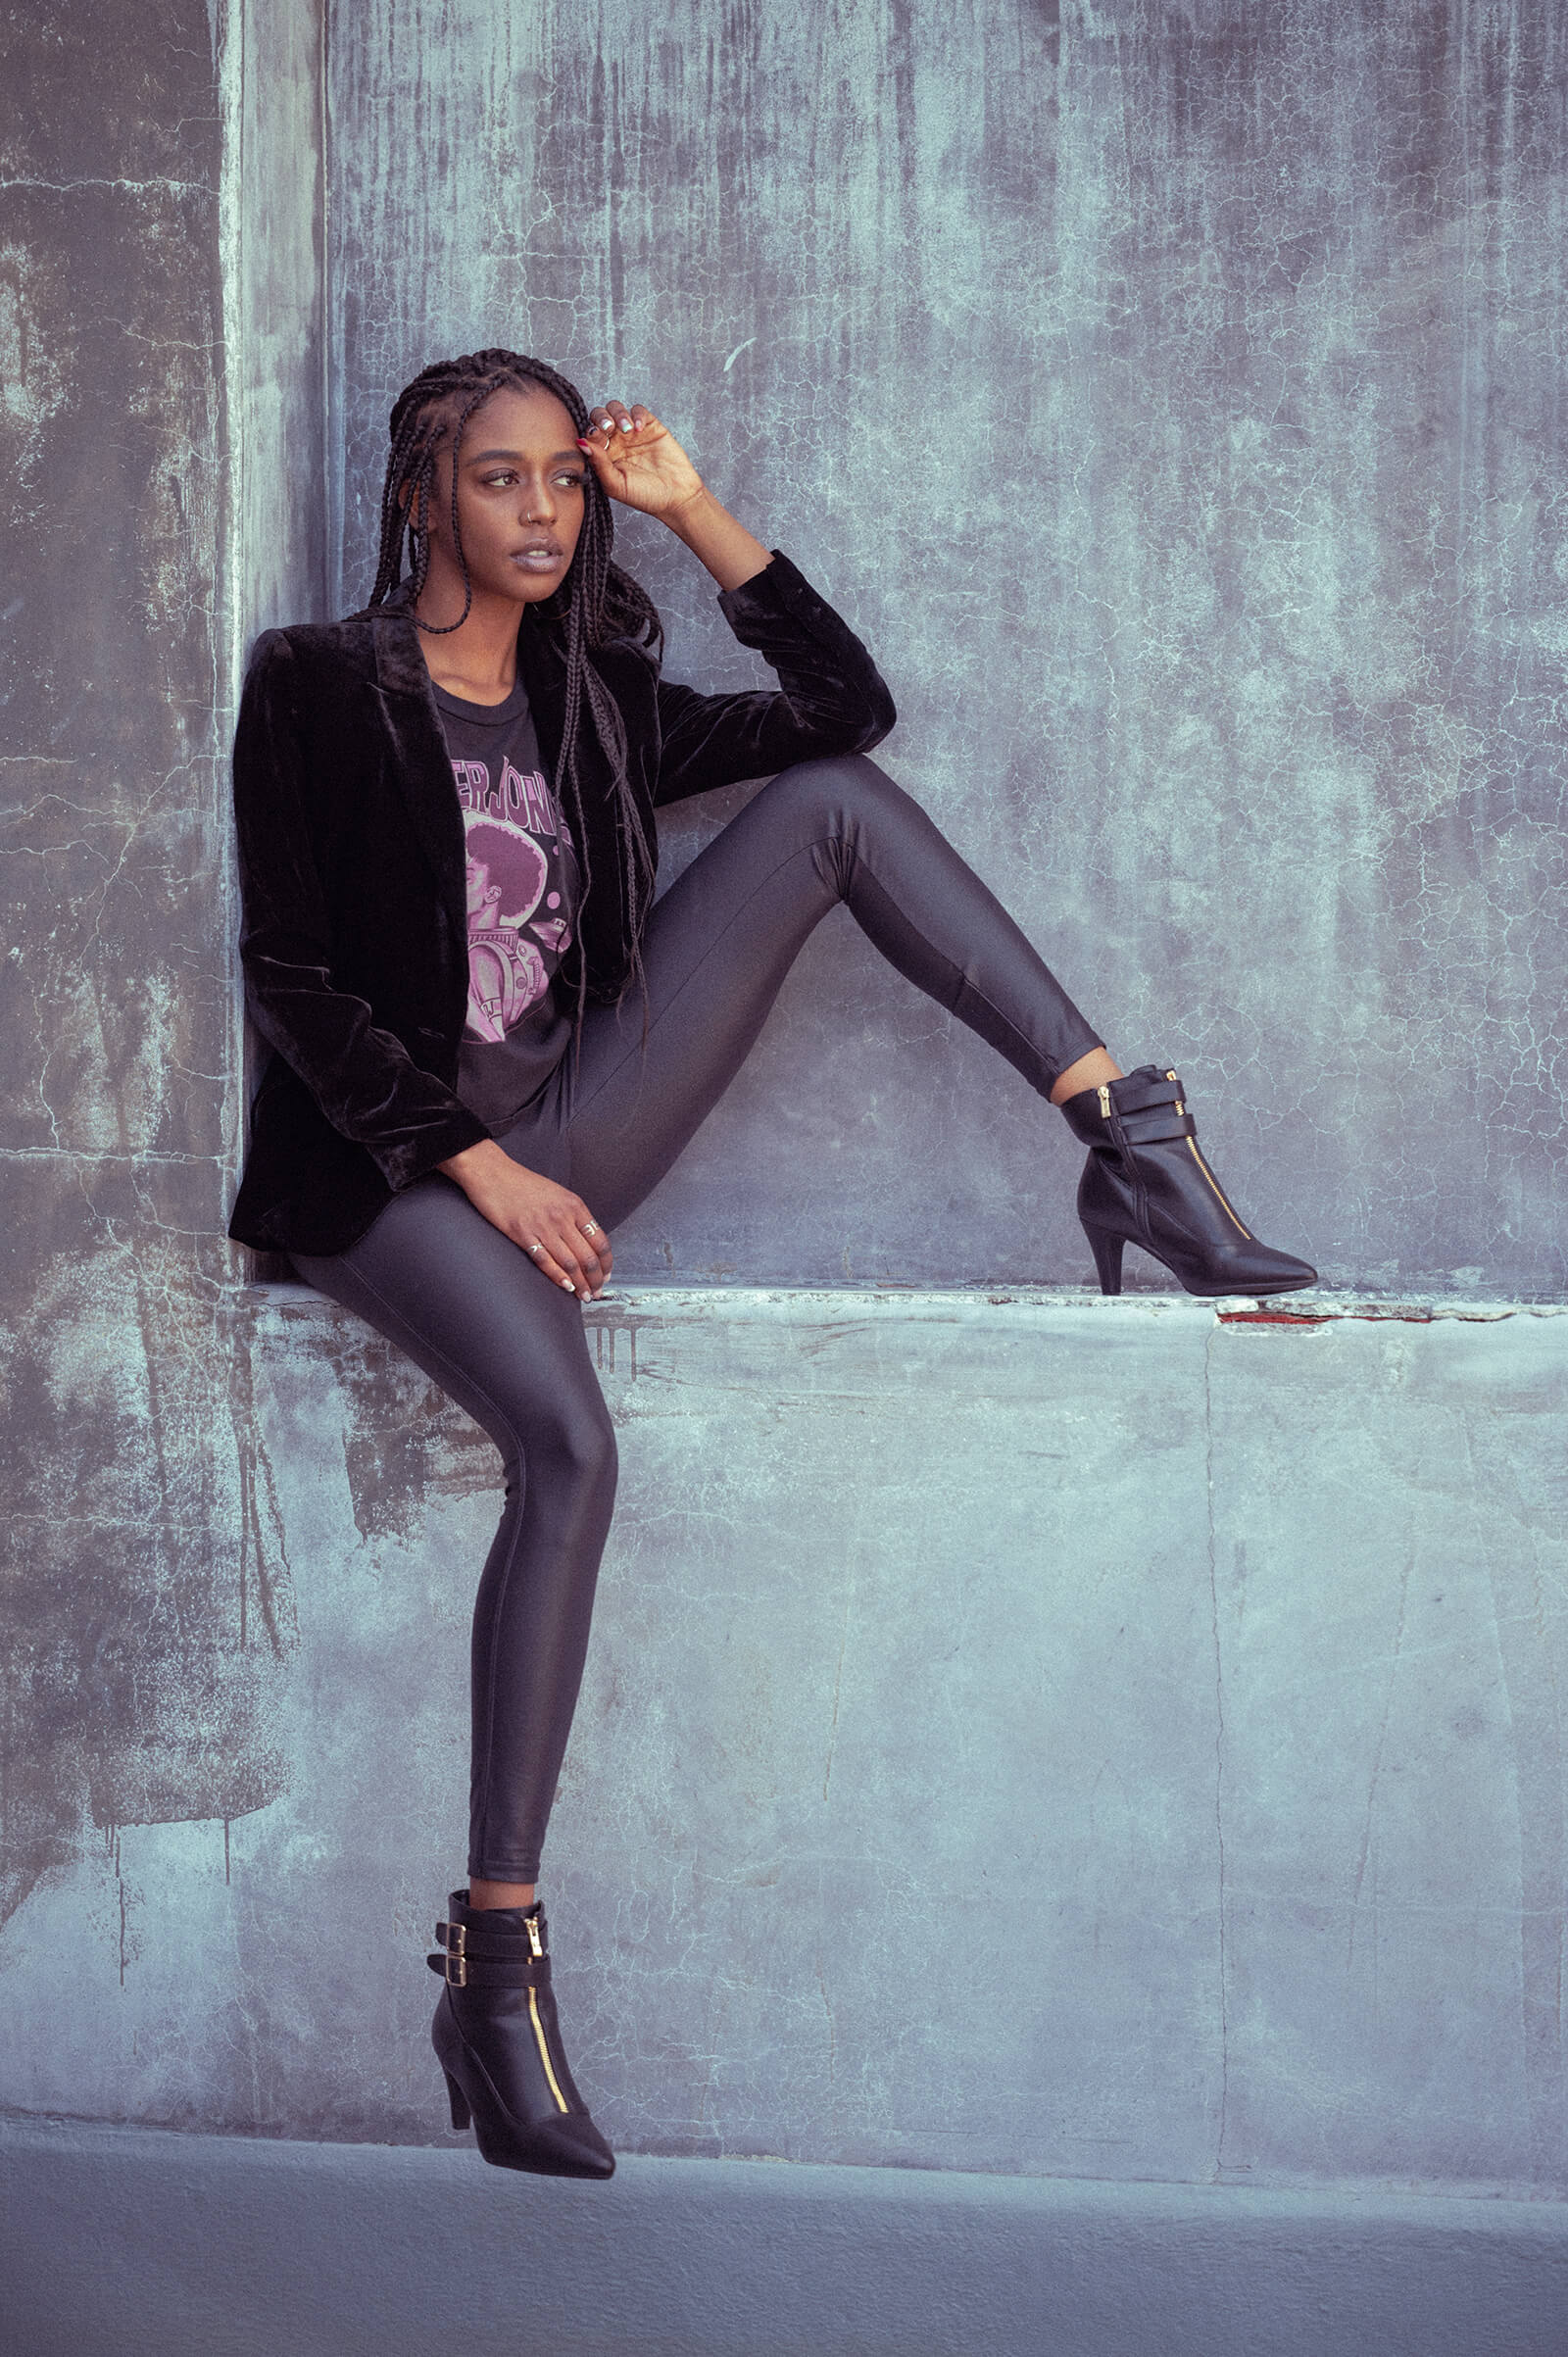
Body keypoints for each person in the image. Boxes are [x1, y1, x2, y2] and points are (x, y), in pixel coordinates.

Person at [228, 346, 1314, 2180]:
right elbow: (298, 977)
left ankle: (1126, 1135)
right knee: (570, 1449)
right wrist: (477, 1164)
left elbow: (845, 706)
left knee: (835, 810)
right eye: (506, 482)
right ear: (424, 497)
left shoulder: (591, 701)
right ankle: (496, 1969)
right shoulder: (326, 687)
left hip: (568, 1127)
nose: (546, 515)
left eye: (568, 483)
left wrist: (694, 508)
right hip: (393, 1171)